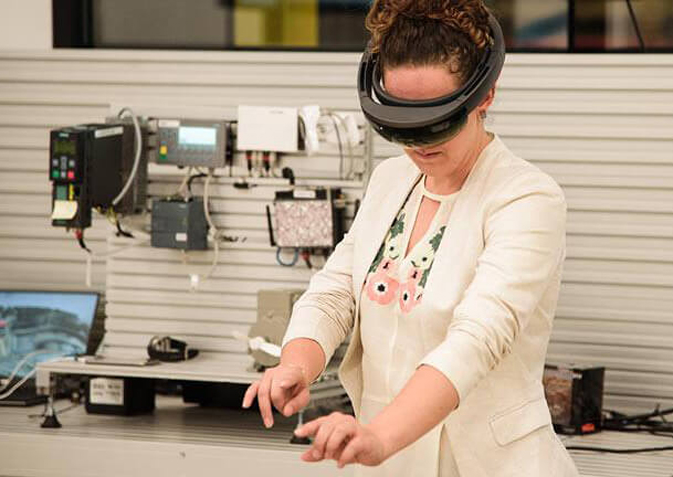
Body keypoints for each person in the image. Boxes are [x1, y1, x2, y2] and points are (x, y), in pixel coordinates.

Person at [242, 1, 580, 475]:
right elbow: (336, 292)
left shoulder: (527, 198)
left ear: (485, 95)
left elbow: (477, 339)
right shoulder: (390, 180)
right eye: (400, 122)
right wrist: (298, 363)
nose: (418, 142)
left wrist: (381, 434)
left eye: (437, 120)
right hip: (389, 461)